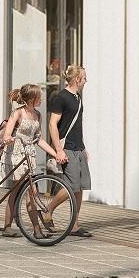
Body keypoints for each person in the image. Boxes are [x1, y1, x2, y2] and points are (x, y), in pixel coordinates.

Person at [40, 64, 93, 236]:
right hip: (67, 148)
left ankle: (74, 225)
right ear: (77, 79)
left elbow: (76, 125)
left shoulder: (77, 98)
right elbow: (52, 124)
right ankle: (48, 209)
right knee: (71, 186)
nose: (86, 80)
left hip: (78, 148)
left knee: (80, 188)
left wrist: (83, 147)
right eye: (84, 77)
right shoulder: (61, 97)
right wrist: (59, 150)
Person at [0, 84, 44, 236]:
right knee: (21, 191)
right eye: (39, 96)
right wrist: (8, 139)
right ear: (32, 98)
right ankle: (30, 229)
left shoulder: (38, 115)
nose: (42, 99)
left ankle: (18, 227)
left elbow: (39, 139)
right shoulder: (17, 113)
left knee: (28, 191)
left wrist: (57, 153)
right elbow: (7, 134)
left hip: (29, 155)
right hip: (15, 155)